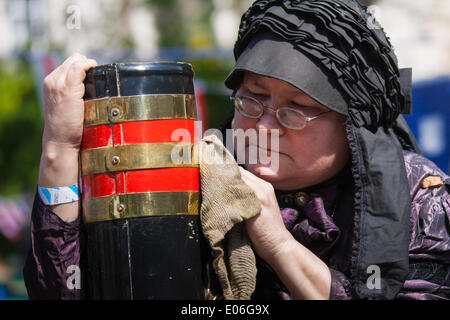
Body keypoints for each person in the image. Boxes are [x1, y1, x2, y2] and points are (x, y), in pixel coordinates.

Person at [23, 0, 449, 300]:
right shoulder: (199, 177)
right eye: (252, 98)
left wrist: (278, 244)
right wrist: (60, 148)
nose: (263, 126)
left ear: (352, 128)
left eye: (296, 111)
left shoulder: (419, 200)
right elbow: (67, 291)